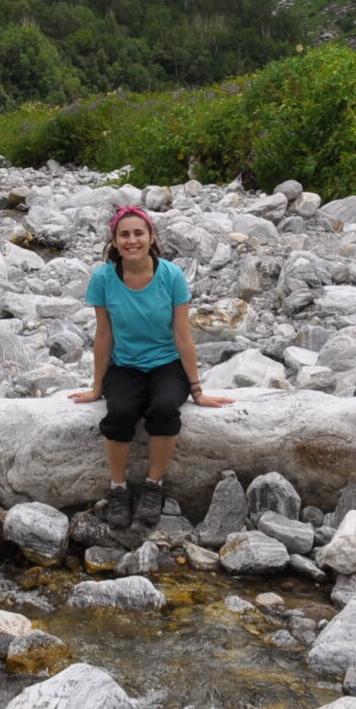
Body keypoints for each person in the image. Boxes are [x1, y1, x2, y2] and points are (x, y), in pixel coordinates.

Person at [68, 204, 228, 526]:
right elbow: (103, 337)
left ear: (151, 236)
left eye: (138, 233)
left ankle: (153, 486)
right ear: (114, 241)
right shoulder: (103, 278)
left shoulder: (171, 275)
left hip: (167, 363)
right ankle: (118, 489)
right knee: (121, 412)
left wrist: (197, 389)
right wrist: (97, 387)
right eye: (124, 235)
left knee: (165, 407)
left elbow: (183, 336)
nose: (132, 240)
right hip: (125, 364)